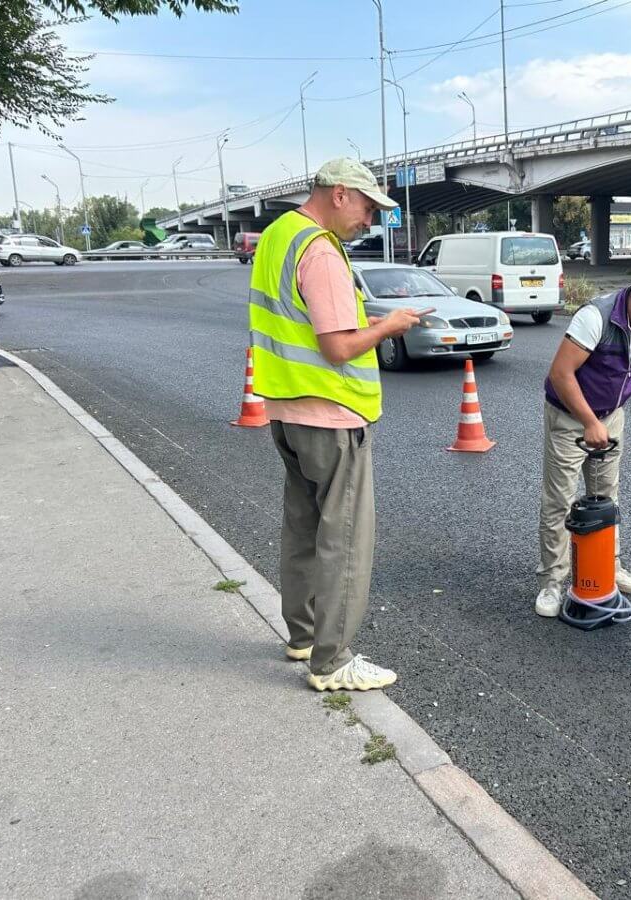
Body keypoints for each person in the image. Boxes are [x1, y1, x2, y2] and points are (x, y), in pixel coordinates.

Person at [248, 157, 425, 692]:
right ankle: (333, 660)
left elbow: (307, 327)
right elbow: (337, 346)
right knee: (345, 539)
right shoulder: (322, 252)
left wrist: (365, 325)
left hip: (287, 408)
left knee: (302, 530)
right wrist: (390, 325)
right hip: (331, 415)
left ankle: (302, 635)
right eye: (369, 208)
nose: (369, 221)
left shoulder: (281, 235)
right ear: (341, 194)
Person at [535, 268, 631, 617]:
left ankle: (608, 567)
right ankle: (552, 581)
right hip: (569, 417)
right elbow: (560, 374)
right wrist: (588, 421)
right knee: (560, 501)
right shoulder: (594, 317)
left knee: (605, 497)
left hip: (610, 416)